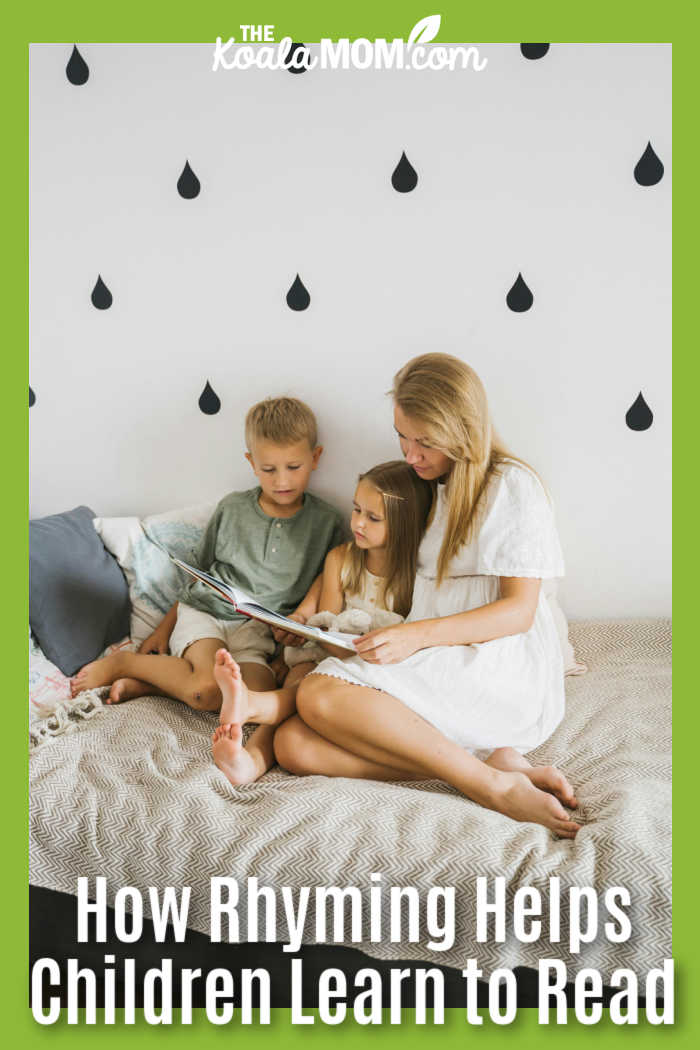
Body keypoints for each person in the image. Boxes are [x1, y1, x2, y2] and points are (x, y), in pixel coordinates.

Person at [266, 353, 581, 836]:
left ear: (463, 429)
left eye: (425, 442)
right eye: (402, 436)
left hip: (496, 664)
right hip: (440, 656)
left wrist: (415, 637)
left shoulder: (511, 486)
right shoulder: (436, 488)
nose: (410, 455)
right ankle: (482, 769)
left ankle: (490, 787)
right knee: (293, 747)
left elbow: (518, 613)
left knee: (318, 693)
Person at [70, 396, 345, 722]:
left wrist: (290, 653)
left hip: (256, 634)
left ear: (315, 458)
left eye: (293, 467)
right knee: (206, 691)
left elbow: (325, 585)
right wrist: (162, 630)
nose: (281, 481)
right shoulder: (232, 508)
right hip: (206, 614)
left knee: (251, 701)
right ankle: (124, 664)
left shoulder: (327, 522)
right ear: (251, 462)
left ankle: (152, 685)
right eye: (268, 470)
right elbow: (198, 575)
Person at [211, 460, 433, 786]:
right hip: (327, 659)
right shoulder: (340, 559)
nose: (357, 523)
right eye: (356, 510)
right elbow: (324, 628)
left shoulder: (415, 578)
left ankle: (256, 704)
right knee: (301, 678)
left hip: (374, 674)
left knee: (305, 690)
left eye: (373, 518)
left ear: (404, 524)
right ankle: (250, 763)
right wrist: (302, 631)